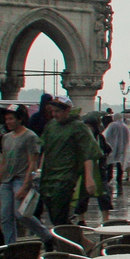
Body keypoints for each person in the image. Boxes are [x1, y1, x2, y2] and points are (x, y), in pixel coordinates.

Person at [38, 96, 101, 226]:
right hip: (48, 176)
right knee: (54, 215)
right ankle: (79, 242)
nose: (54, 115)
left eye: (58, 111)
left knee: (59, 214)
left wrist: (89, 178)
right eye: (52, 111)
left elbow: (88, 152)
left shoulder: (78, 127)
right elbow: (44, 149)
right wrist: (39, 170)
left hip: (66, 176)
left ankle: (68, 242)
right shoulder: (51, 125)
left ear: (67, 110)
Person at [0, 106, 51, 245]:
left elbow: (33, 162)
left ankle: (46, 235)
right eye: (6, 119)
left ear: (20, 119)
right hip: (6, 181)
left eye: (11, 119)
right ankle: (10, 247)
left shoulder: (30, 136)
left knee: (21, 214)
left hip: (21, 179)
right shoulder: (6, 137)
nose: (8, 122)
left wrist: (26, 185)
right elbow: (3, 161)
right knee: (5, 217)